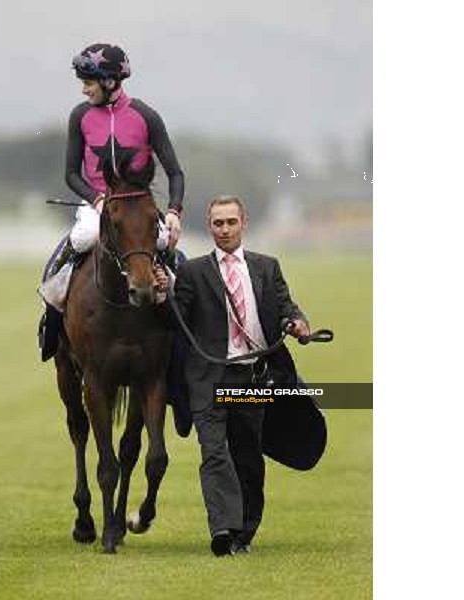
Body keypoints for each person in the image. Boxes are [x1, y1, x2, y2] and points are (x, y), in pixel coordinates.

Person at [154, 195, 310, 556]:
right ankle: (222, 530)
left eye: (230, 222)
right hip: (208, 379)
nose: (224, 229)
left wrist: (298, 324)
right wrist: (164, 296)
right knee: (214, 453)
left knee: (247, 456)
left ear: (244, 223)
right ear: (209, 227)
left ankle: (245, 531)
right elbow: (175, 322)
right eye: (217, 223)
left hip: (251, 378)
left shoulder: (267, 267)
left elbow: (286, 306)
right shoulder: (192, 272)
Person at [38, 42, 185, 361]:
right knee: (83, 236)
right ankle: (50, 324)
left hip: (139, 208)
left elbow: (175, 172)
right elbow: (70, 174)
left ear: (109, 81)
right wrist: (97, 199)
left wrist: (173, 212)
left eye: (88, 83)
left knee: (171, 253)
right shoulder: (80, 116)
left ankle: (187, 335)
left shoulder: (146, 115)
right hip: (96, 205)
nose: (83, 90)